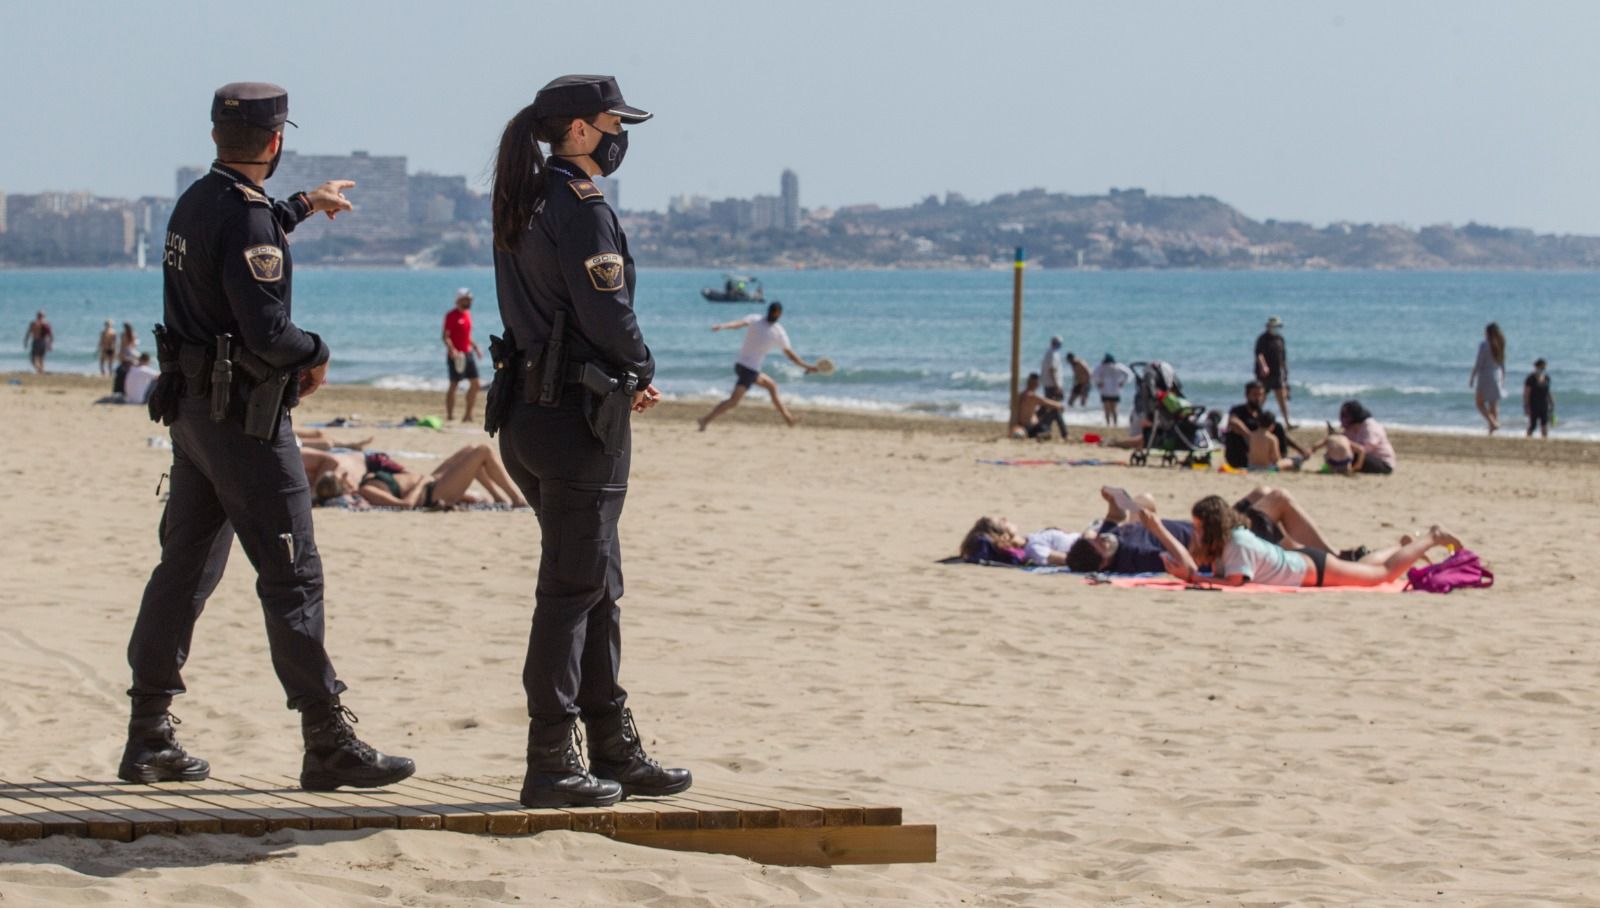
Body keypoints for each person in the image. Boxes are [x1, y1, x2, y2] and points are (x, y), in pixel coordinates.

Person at [122, 82, 412, 792]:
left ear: (218, 138)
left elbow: (244, 235)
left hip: (191, 414)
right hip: (243, 421)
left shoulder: (196, 201)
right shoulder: (245, 218)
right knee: (293, 577)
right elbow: (268, 332)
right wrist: (317, 352)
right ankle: (326, 738)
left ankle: (148, 735)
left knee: (183, 570)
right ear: (275, 142)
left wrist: (306, 205)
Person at [488, 74, 689, 809]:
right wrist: (640, 368)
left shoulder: (522, 194)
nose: (620, 136)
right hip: (577, 423)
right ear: (578, 130)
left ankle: (611, 745)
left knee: (595, 583)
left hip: (528, 417)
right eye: (613, 123)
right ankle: (550, 761)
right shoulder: (580, 205)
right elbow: (607, 313)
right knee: (574, 592)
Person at [1139, 495, 1461, 589]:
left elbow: (1234, 582)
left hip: (1313, 570)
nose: (1195, 533)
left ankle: (1432, 536)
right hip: (1306, 564)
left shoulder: (1236, 544)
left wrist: (1192, 577)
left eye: (1198, 528)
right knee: (1363, 567)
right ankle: (1402, 545)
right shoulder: (1230, 539)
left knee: (1384, 575)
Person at [1061, 485, 1345, 574]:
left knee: (1262, 491)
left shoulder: (1113, 539)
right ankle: (1334, 556)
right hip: (1220, 540)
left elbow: (1114, 516)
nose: (1101, 539)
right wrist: (1157, 529)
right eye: (1099, 544)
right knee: (1278, 499)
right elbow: (1189, 565)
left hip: (1213, 526)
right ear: (1105, 562)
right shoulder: (1136, 554)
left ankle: (1301, 549)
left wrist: (1115, 499)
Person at [698, 301, 819, 430]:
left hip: (747, 368)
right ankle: (705, 420)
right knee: (733, 401)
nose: (774, 315)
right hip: (747, 369)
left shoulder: (776, 330)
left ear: (779, 314)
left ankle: (788, 419)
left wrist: (806, 366)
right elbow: (739, 324)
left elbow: (789, 354)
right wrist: (723, 326)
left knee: (771, 386)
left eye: (775, 313)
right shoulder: (758, 321)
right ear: (776, 313)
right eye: (773, 312)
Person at [305, 444, 526, 509]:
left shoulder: (364, 482)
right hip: (432, 492)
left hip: (430, 482)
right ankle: (515, 498)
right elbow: (406, 505)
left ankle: (498, 497)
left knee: (469, 451)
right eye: (344, 478)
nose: (348, 475)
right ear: (344, 487)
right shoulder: (366, 490)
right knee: (482, 452)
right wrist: (421, 482)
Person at [1224, 381, 1309, 470]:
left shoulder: (1260, 413)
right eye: (1255, 395)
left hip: (1256, 459)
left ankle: (1282, 457)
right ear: (1247, 395)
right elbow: (1233, 422)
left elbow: (1279, 433)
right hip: (1239, 457)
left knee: (1278, 427)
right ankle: (1281, 462)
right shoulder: (1238, 410)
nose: (1258, 398)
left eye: (1260, 395)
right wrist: (1251, 436)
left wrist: (1300, 449)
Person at [442, 288, 483, 422]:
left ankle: (468, 415)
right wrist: (452, 350)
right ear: (459, 300)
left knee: (476, 384)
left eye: (470, 299)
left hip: (468, 353)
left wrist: (475, 347)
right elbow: (445, 337)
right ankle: (450, 415)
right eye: (467, 299)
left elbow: (466, 336)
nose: (470, 301)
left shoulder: (467, 314)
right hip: (456, 356)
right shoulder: (451, 315)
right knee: (454, 385)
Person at [1337, 399, 1395, 474]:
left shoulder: (1371, 427)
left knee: (1353, 456)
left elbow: (1366, 449)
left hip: (1382, 463)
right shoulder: (1352, 428)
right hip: (1365, 457)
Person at [1254, 316, 1293, 428]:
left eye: (1278, 326)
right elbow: (1259, 354)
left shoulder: (1280, 339)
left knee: (1282, 398)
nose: (1276, 328)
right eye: (1274, 326)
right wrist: (1263, 366)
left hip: (1277, 373)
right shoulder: (1262, 339)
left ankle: (1287, 422)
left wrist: (1285, 370)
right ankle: (1255, 420)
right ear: (1268, 326)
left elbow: (1282, 357)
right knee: (1261, 398)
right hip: (1264, 374)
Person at [1469, 322, 1506, 435]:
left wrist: (1472, 376)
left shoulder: (1484, 345)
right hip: (1497, 374)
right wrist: (1503, 376)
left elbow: (1479, 362)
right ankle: (1492, 429)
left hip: (1485, 375)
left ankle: (1492, 423)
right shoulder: (1500, 344)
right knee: (1493, 404)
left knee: (1479, 403)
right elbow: (1502, 363)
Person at [1010, 372, 1068, 440]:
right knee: (1055, 411)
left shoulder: (1021, 395)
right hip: (1031, 428)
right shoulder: (1032, 396)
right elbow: (1049, 403)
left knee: (1044, 408)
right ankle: (1065, 435)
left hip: (1024, 426)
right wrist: (1061, 406)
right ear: (1035, 383)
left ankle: (1044, 433)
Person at [1091, 353, 1134, 426]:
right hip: (1115, 391)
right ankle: (1115, 423)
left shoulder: (1101, 366)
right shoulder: (1118, 366)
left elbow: (1093, 375)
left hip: (1104, 391)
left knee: (1106, 409)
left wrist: (1098, 383)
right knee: (1114, 408)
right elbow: (1129, 374)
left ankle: (1108, 423)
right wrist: (1123, 382)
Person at [1524, 358, 1554, 438]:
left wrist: (1552, 401)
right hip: (1534, 404)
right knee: (1533, 425)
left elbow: (1548, 391)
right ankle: (1528, 437)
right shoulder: (1531, 378)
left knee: (1544, 423)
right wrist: (1526, 406)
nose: (1542, 369)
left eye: (1544, 368)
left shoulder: (1547, 378)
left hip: (1544, 404)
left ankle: (1545, 438)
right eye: (1541, 367)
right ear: (1536, 367)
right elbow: (1526, 393)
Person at [113, 322, 139, 394]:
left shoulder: (123, 334)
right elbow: (133, 346)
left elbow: (121, 346)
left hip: (125, 352)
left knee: (122, 371)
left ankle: (120, 389)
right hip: (131, 353)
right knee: (129, 371)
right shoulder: (134, 334)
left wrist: (120, 355)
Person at [1039, 336, 1065, 403]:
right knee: (1053, 403)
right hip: (1052, 384)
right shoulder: (1052, 354)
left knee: (1052, 403)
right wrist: (1056, 385)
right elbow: (1052, 370)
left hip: (1051, 383)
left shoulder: (1052, 352)